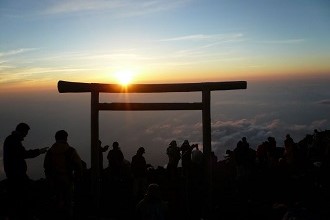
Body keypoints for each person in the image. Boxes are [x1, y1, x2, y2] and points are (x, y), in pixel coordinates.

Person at [3, 122, 48, 219]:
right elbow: (23, 154)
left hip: (13, 173)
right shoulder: (14, 141)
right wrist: (39, 151)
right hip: (16, 174)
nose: (26, 135)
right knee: (24, 194)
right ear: (22, 131)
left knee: (17, 195)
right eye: (26, 132)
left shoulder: (11, 139)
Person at [44, 130, 83, 219]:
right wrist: (77, 178)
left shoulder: (50, 152)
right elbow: (79, 166)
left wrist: (49, 179)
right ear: (66, 138)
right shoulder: (71, 150)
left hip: (53, 180)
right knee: (68, 203)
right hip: (67, 180)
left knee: (56, 202)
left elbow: (46, 166)